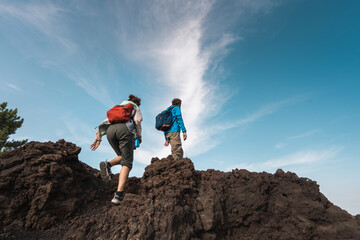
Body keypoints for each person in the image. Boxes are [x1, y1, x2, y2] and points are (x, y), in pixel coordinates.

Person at [90, 94, 142, 205]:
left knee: (123, 157)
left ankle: (107, 165)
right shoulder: (135, 107)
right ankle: (118, 195)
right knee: (127, 163)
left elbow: (105, 121)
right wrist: (139, 137)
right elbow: (137, 121)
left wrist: (98, 138)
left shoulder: (119, 107)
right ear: (137, 103)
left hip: (110, 131)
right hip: (124, 130)